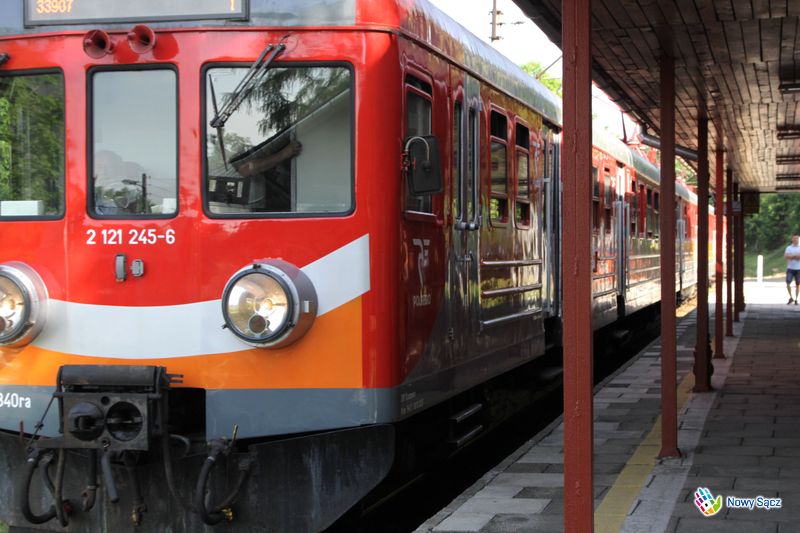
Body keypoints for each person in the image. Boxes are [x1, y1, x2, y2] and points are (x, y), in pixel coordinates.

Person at [785, 235, 800, 304]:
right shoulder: (789, 248)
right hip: (790, 268)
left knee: (798, 284)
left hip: (798, 268)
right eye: (795, 238)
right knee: (788, 282)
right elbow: (786, 256)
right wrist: (795, 256)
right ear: (792, 239)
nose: (796, 239)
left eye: (797, 238)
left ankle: (796, 298)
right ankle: (791, 297)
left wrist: (791, 256)